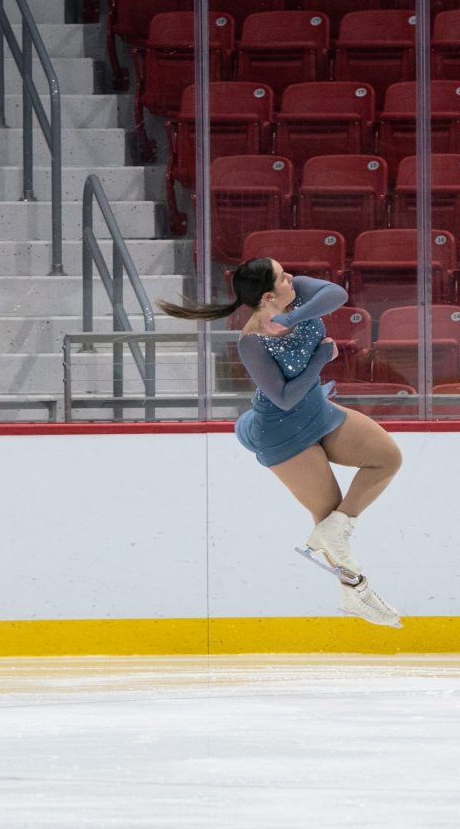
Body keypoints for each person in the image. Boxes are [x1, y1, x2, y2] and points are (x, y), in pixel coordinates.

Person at [159, 256, 403, 627]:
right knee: (328, 515)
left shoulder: (297, 299)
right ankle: (356, 591)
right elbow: (283, 398)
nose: (295, 278)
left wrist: (290, 318)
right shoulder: (252, 342)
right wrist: (320, 359)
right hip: (282, 430)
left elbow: (337, 293)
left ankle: (340, 540)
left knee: (386, 458)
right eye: (285, 276)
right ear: (269, 295)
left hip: (319, 410)